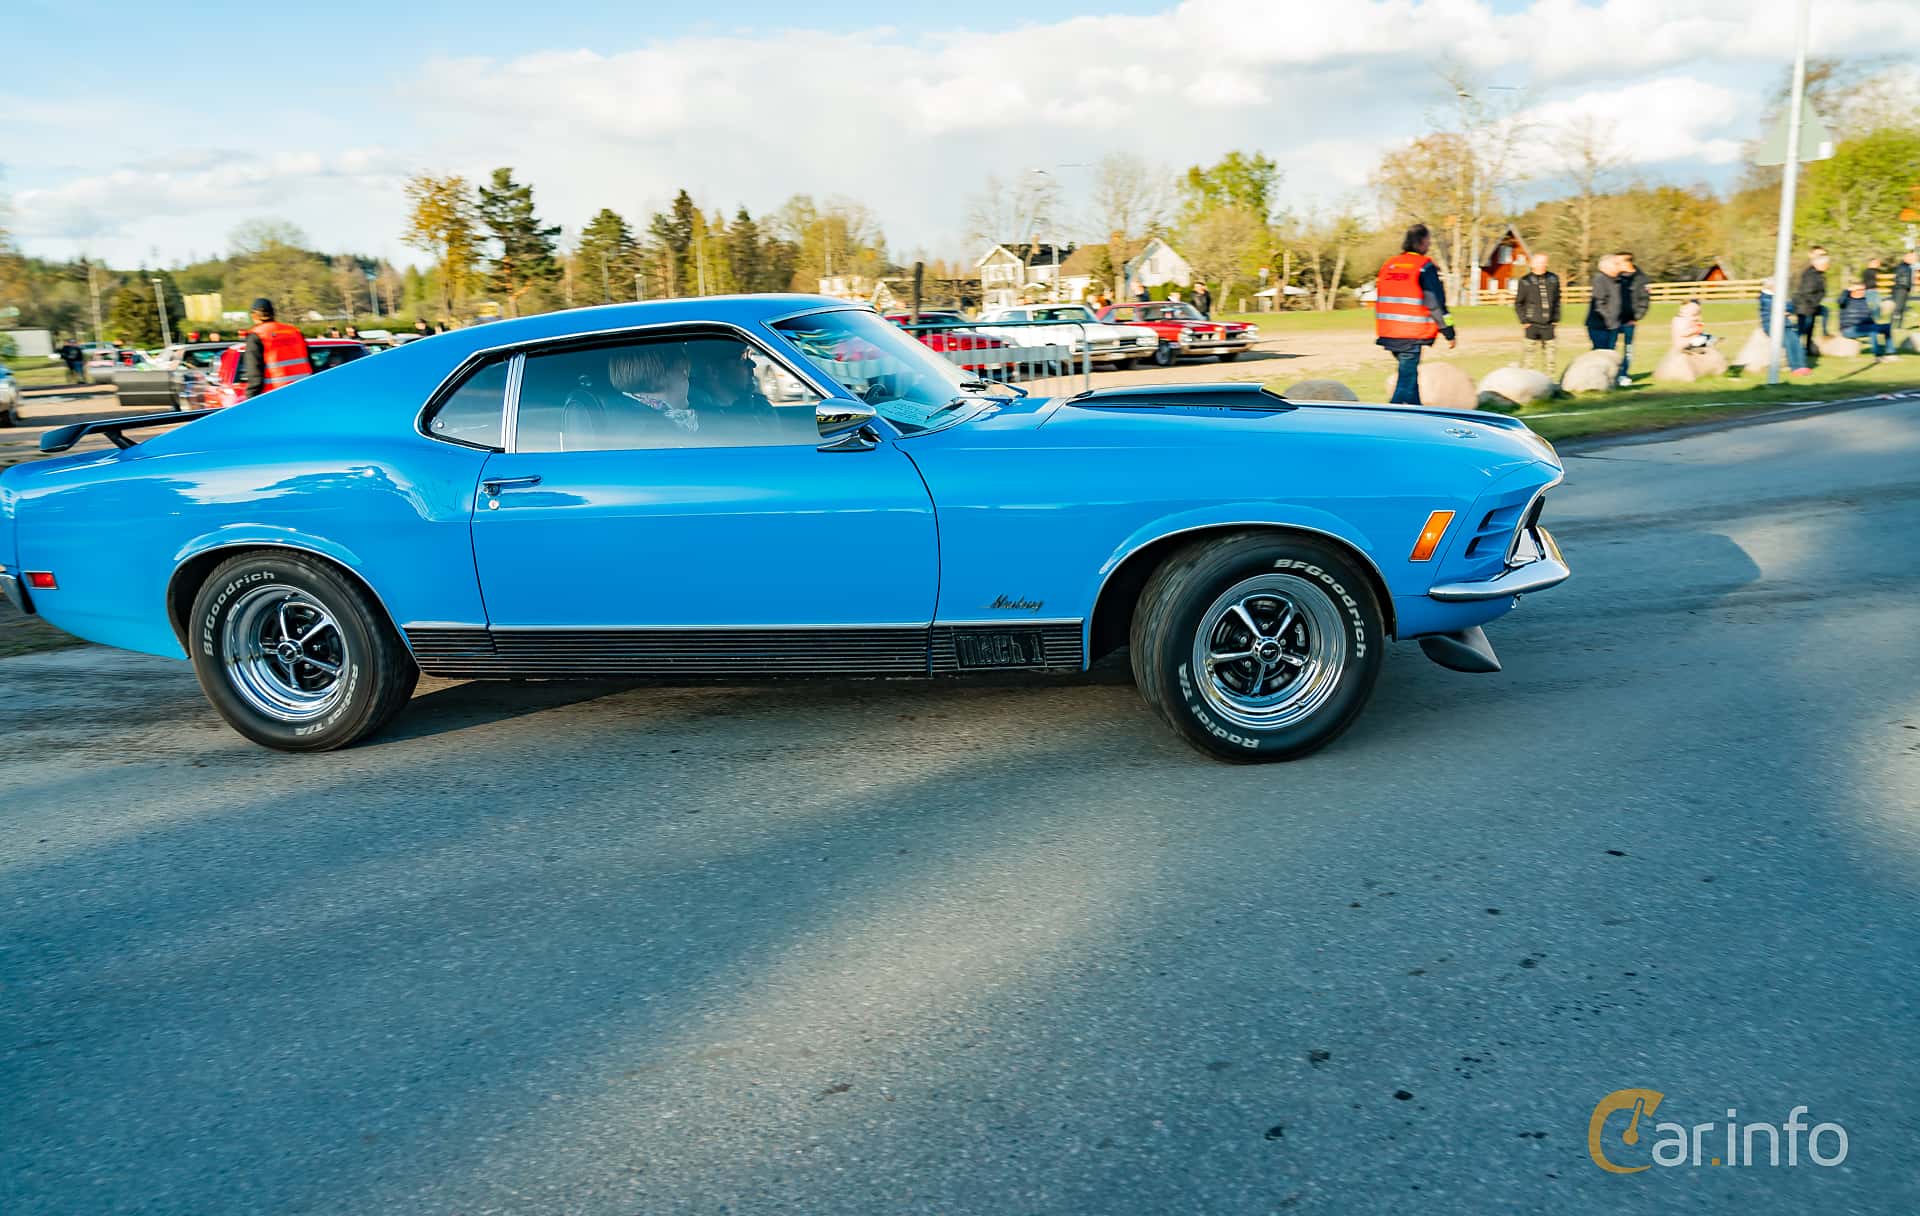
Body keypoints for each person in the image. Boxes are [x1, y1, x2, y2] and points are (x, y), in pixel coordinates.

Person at [1373, 223, 1455, 406]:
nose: (1429, 244)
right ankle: (1388, 420)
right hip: (1411, 334)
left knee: (1410, 378)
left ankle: (1418, 414)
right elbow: (1435, 303)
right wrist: (1449, 332)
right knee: (1405, 384)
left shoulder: (1390, 264)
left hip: (1389, 333)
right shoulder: (1424, 266)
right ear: (1422, 242)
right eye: (1428, 240)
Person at [687, 340, 780, 441]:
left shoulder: (759, 406)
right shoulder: (702, 420)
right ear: (714, 372)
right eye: (742, 358)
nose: (752, 364)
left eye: (749, 355)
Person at [242, 297, 313, 399]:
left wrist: (250, 400)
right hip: (304, 390)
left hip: (276, 395)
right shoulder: (294, 332)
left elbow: (255, 374)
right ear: (273, 313)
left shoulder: (256, 335)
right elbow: (309, 362)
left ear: (254, 315)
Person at [1512, 252, 1560, 375]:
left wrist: (1556, 318)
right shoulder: (1525, 281)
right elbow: (1518, 303)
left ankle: (1550, 382)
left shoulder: (1553, 279)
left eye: (1544, 262)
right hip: (1532, 323)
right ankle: (1527, 381)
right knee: (1529, 357)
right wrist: (1524, 320)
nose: (1542, 265)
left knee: (1550, 357)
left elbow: (1557, 300)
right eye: (1539, 262)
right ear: (1532, 264)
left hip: (1548, 324)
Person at [1757, 277, 1807, 372]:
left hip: (1785, 324)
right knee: (1788, 342)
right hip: (1771, 326)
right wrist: (1783, 310)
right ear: (1771, 287)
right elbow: (1775, 309)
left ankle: (1802, 365)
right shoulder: (1764, 297)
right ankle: (1795, 367)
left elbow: (1790, 307)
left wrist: (1785, 310)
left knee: (1796, 341)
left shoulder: (1779, 295)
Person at [1614, 252, 1650, 385]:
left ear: (1626, 263)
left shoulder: (1642, 279)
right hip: (1614, 320)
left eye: (1618, 262)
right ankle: (1612, 374)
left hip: (1629, 321)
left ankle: (1624, 374)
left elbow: (1644, 301)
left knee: (1628, 348)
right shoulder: (1615, 277)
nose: (1616, 265)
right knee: (1611, 347)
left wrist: (1636, 317)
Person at [1791, 247, 1829, 369]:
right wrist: (1814, 304)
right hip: (1805, 307)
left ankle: (1807, 349)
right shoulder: (1811, 273)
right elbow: (1807, 291)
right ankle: (1794, 351)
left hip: (1809, 306)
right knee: (1802, 330)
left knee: (1809, 330)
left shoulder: (1818, 273)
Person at [1837, 281, 1895, 359]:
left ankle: (1891, 353)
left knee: (1886, 327)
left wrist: (1874, 324)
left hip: (1864, 327)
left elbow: (1867, 316)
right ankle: (1878, 355)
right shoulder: (1846, 300)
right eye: (1860, 289)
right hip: (1849, 329)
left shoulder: (1863, 300)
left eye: (1863, 289)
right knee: (1872, 331)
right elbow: (1840, 301)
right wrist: (1847, 290)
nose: (1862, 291)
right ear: (1853, 290)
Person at [1585, 254, 1623, 352]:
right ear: (1607, 266)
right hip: (1600, 326)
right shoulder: (1600, 279)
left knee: (1610, 352)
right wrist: (1610, 321)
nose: (1619, 266)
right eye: (1616, 264)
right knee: (1602, 353)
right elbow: (1599, 304)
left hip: (1612, 325)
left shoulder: (1617, 280)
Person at [1894, 251, 1915, 331]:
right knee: (1898, 308)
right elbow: (1899, 279)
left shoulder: (1908, 267)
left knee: (1902, 308)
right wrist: (1904, 287)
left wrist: (1909, 288)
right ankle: (1894, 326)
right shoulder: (1902, 267)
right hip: (1901, 289)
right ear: (1905, 258)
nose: (1913, 259)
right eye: (1911, 258)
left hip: (1905, 289)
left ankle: (1899, 326)